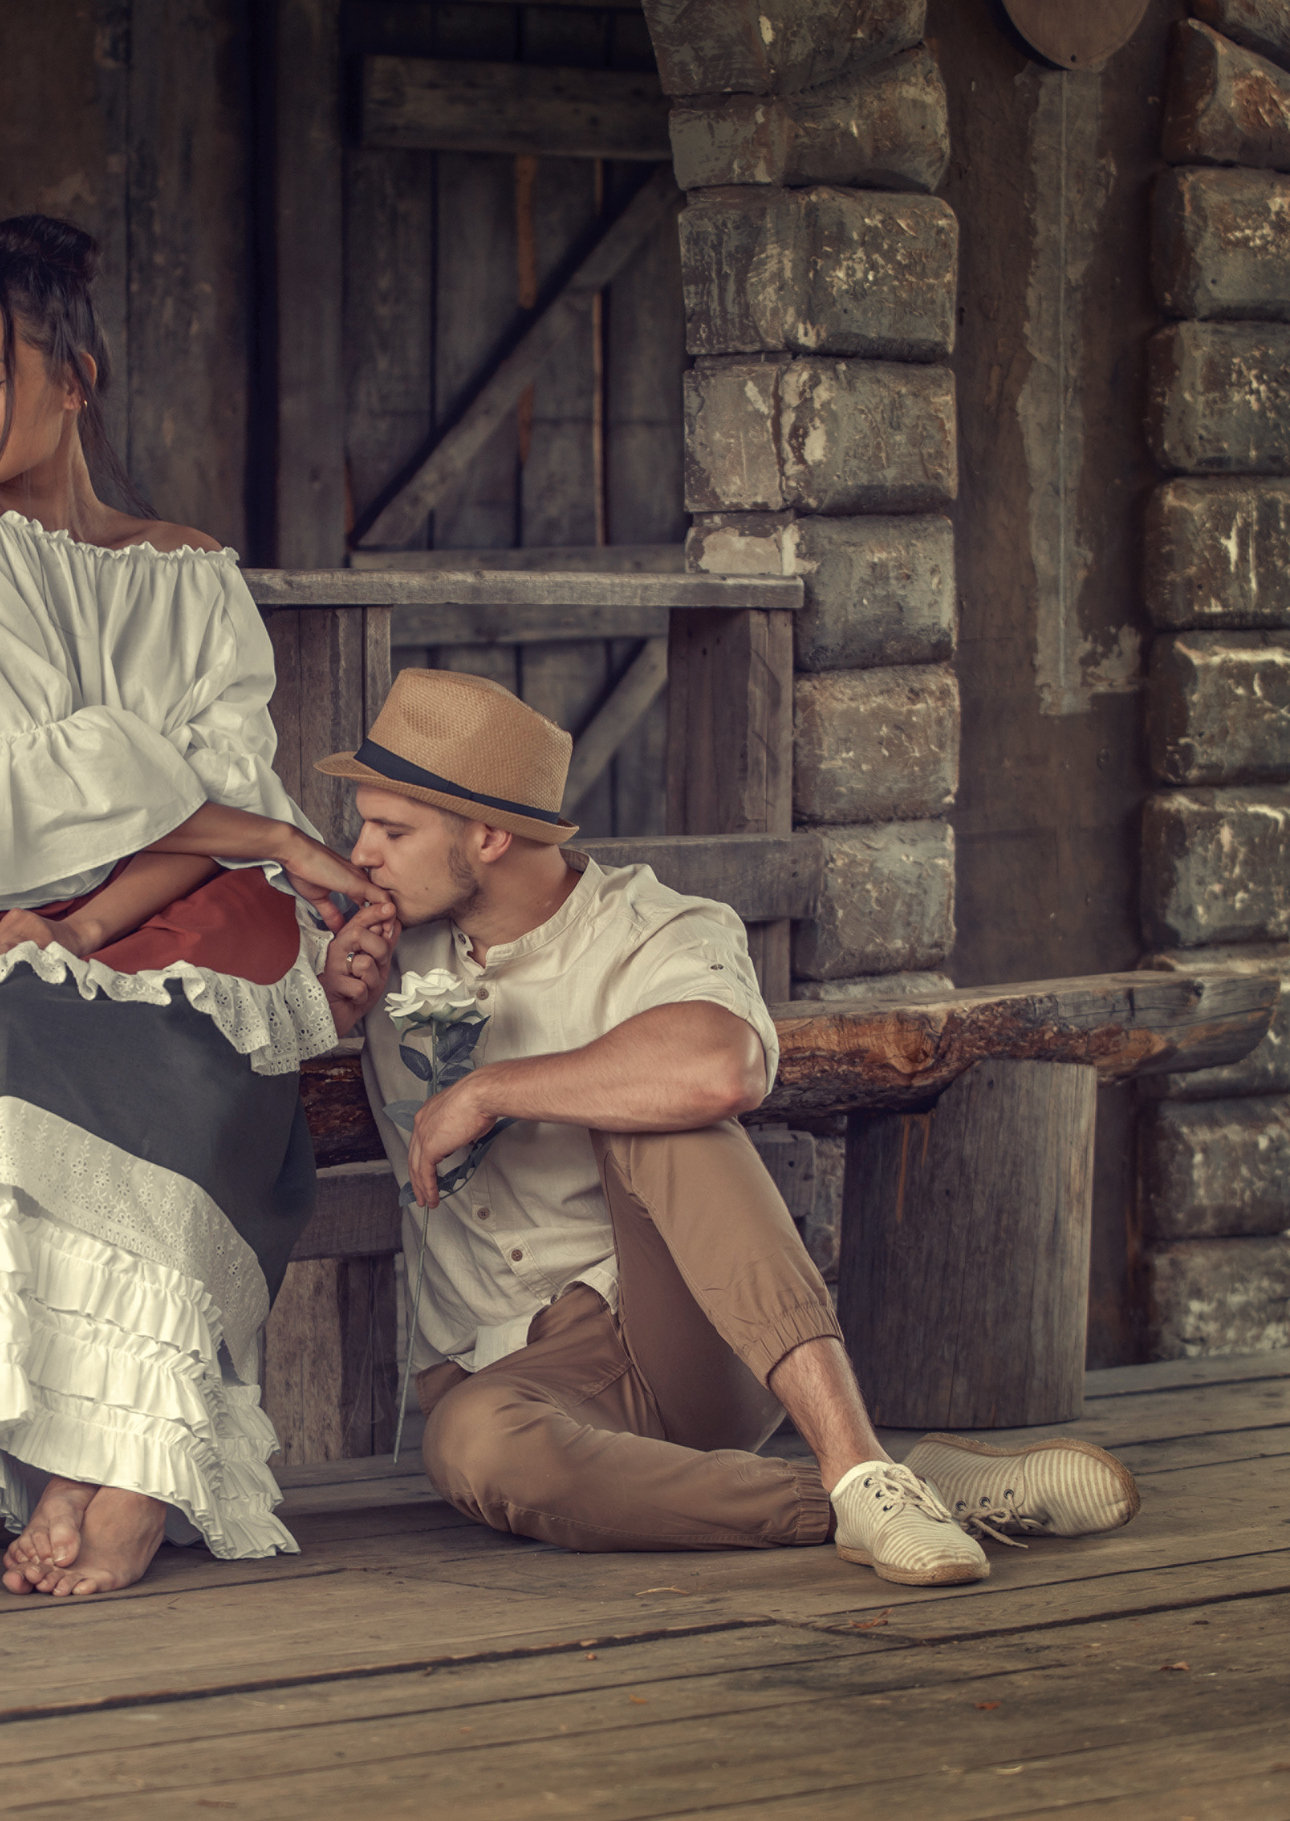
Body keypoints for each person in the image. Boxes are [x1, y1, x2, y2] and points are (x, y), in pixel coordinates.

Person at [0, 214, 398, 1598]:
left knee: (213, 1055)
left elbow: (184, 778)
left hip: (182, 902)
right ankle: (109, 1458)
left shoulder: (192, 573)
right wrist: (256, 830)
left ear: (72, 379)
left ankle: (120, 1471)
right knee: (23, 1050)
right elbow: (52, 781)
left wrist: (122, 907)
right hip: (4, 901)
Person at [319, 668, 1142, 1586]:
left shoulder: (653, 929)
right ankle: (871, 1490)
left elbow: (722, 1066)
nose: (362, 853)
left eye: (392, 830)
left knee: (660, 1108)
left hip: (677, 1338)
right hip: (503, 1371)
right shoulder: (378, 943)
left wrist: (496, 1087)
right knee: (471, 1447)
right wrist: (327, 1010)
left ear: (490, 834)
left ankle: (854, 1461)